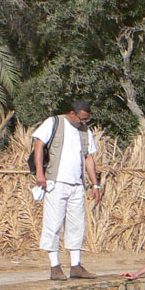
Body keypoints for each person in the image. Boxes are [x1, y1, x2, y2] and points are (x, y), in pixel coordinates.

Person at [33, 100, 102, 280]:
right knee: (53, 223)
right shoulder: (54, 122)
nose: (83, 122)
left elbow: (89, 158)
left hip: (77, 184)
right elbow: (39, 145)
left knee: (77, 224)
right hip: (55, 182)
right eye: (81, 119)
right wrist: (40, 173)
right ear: (72, 113)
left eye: (86, 119)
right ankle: (55, 266)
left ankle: (75, 265)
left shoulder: (86, 131)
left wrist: (95, 184)